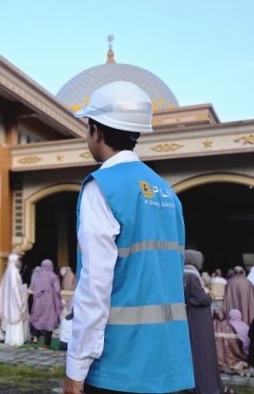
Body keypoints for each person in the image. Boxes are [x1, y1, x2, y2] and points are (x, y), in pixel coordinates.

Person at [64, 81, 193, 394]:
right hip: (171, 364)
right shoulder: (167, 192)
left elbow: (95, 286)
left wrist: (75, 368)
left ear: (97, 130)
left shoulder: (101, 187)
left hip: (119, 368)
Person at [184, 250, 226, 393]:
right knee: (202, 350)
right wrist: (208, 296)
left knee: (192, 349)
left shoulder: (181, 272)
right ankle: (204, 384)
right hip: (199, 318)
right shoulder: (193, 275)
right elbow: (200, 298)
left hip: (188, 315)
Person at [0, 253, 29, 347]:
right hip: (14, 300)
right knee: (16, 319)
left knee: (11, 320)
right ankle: (16, 340)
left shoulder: (9, 271)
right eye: (17, 259)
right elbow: (15, 288)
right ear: (13, 260)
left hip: (9, 301)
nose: (18, 261)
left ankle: (10, 339)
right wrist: (20, 301)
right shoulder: (14, 272)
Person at [29, 259, 62, 349]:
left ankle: (35, 338)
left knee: (37, 318)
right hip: (49, 303)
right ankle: (47, 343)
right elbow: (57, 289)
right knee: (49, 322)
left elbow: (32, 287)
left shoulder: (36, 275)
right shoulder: (53, 276)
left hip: (38, 302)